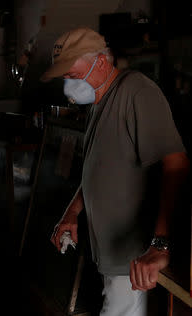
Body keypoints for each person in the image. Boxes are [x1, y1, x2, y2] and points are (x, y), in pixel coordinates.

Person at [41, 27, 190, 316]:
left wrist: (160, 245)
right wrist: (72, 212)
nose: (67, 84)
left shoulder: (136, 91)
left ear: (100, 62)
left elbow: (176, 164)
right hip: (111, 251)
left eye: (72, 75)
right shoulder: (98, 100)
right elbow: (98, 168)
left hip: (135, 258)